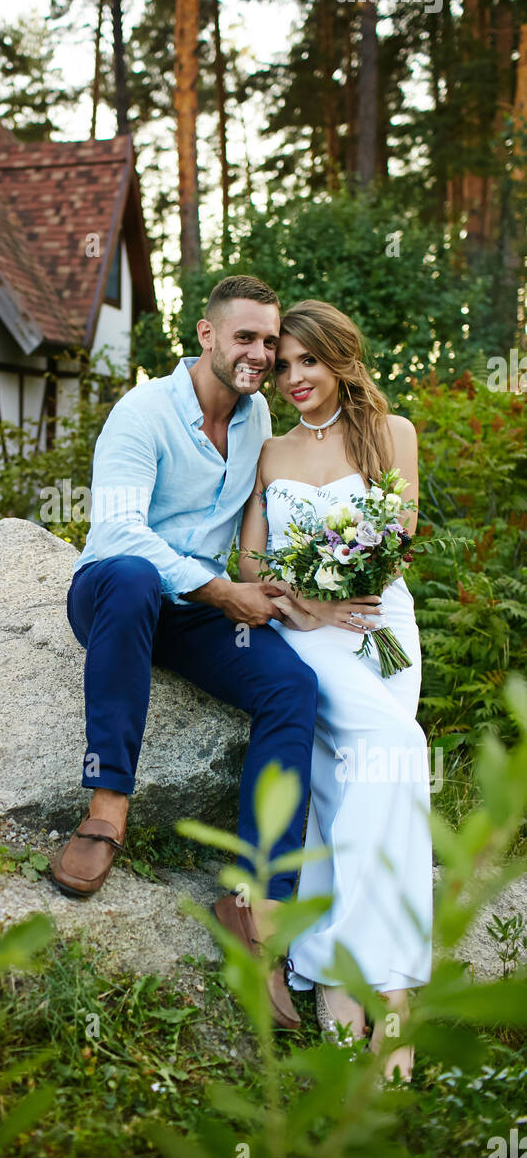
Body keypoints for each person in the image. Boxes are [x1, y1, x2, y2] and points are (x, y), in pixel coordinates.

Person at [49, 275, 320, 1030]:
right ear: (205, 335)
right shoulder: (141, 413)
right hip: (115, 595)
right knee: (136, 573)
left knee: (292, 689)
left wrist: (282, 592)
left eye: (270, 341)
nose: (262, 354)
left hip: (197, 615)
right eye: (246, 338)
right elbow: (121, 532)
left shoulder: (259, 414)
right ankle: (106, 807)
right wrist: (220, 589)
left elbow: (256, 533)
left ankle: (257, 905)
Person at [238, 299, 433, 1082]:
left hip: (381, 627)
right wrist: (309, 603)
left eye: (306, 362)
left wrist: (347, 587)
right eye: (281, 366)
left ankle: (333, 976)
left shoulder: (393, 435)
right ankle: (386, 987)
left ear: (341, 359)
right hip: (304, 635)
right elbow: (250, 566)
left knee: (351, 790)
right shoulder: (270, 451)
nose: (291, 378)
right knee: (398, 747)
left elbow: (403, 534)